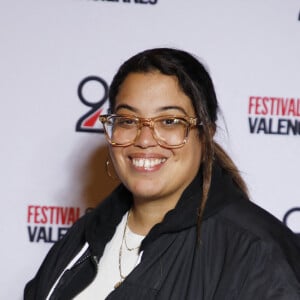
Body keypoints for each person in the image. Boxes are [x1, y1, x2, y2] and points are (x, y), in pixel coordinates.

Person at [24, 48, 300, 300]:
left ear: (206, 134)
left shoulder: (257, 252)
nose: (144, 140)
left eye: (169, 121)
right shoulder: (84, 236)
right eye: (128, 120)